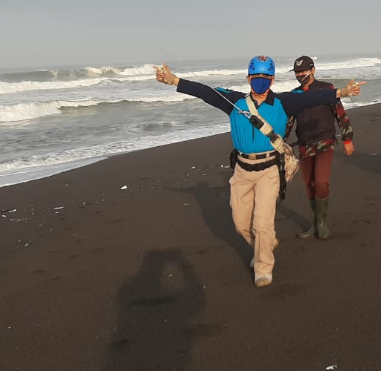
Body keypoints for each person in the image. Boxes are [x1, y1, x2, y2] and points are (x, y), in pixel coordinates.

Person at [154, 57, 364, 288]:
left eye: (265, 78)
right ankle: (264, 243)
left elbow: (311, 97)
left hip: (269, 171)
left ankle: (263, 267)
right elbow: (206, 92)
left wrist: (343, 91)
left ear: (272, 79)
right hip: (242, 170)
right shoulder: (234, 102)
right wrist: (173, 80)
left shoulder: (284, 103)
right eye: (256, 78)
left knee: (262, 222)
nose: (260, 82)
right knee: (241, 223)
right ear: (248, 79)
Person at [284, 56, 354, 240]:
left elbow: (340, 113)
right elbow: (288, 122)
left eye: (304, 71)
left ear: (313, 70)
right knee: (309, 185)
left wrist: (347, 138)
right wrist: (280, 143)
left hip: (325, 142)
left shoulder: (327, 89)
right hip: (304, 146)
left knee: (321, 182)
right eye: (297, 72)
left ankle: (322, 222)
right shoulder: (294, 95)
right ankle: (314, 222)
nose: (300, 75)